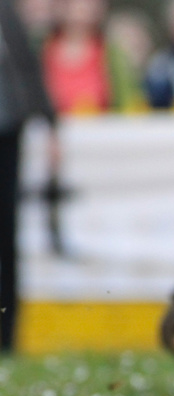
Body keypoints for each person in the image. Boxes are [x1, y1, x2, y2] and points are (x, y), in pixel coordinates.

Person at [0, 1, 59, 353]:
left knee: (7, 237)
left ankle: (7, 337)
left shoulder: (7, 11)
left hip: (8, 128)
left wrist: (50, 124)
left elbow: (27, 67)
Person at [42, 0, 139, 114]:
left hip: (101, 128)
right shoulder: (43, 51)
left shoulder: (110, 54)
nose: (80, 8)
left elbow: (126, 103)